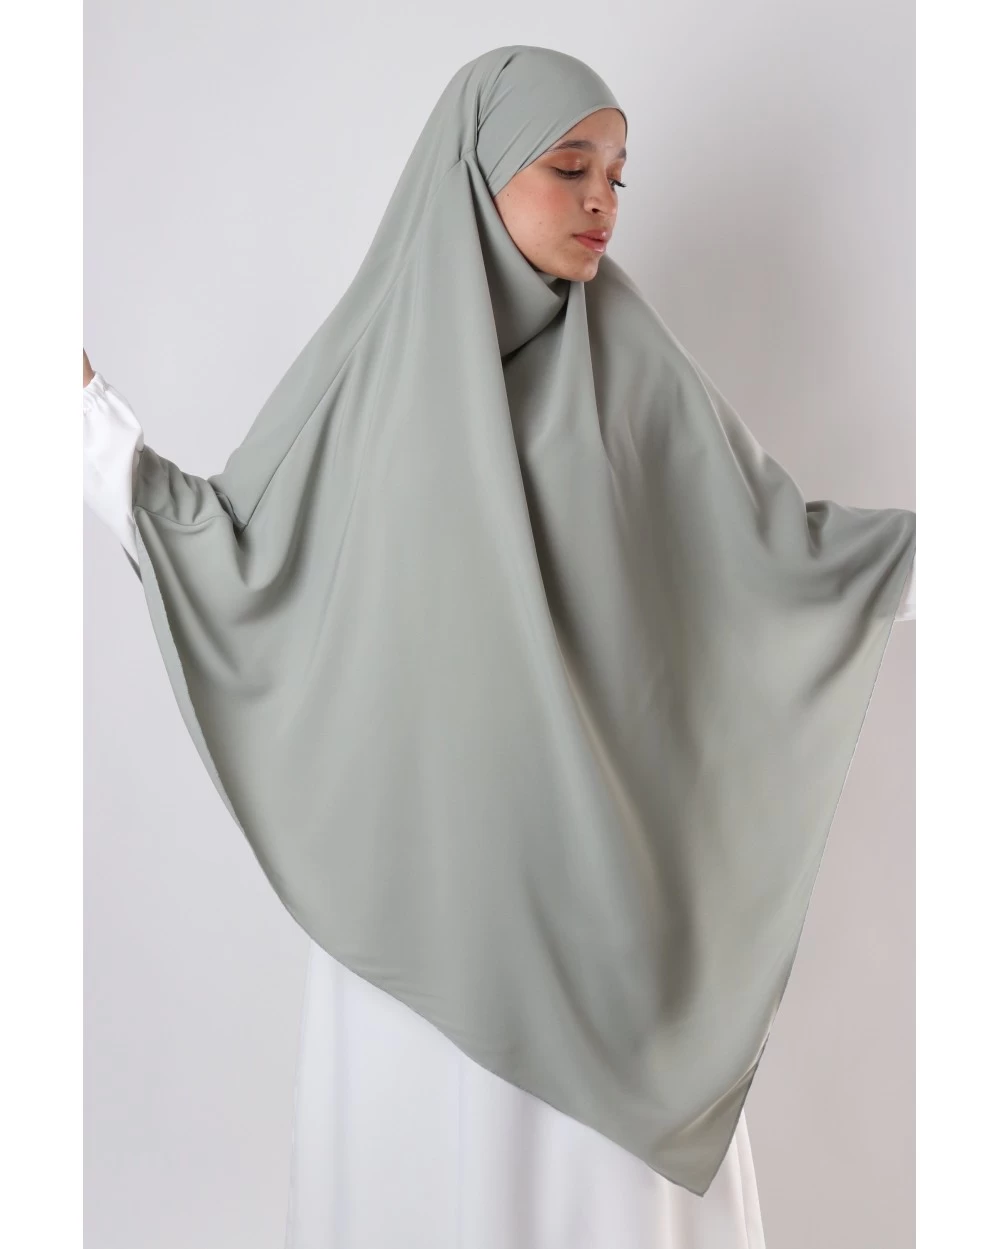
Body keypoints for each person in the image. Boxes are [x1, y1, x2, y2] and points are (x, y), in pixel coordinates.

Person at [83, 45, 915, 1249]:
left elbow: (780, 553)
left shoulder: (635, 371)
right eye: (568, 167)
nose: (601, 200)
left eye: (617, 176)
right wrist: (84, 419)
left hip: (590, 901)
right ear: (475, 171)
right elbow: (238, 554)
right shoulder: (373, 370)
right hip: (413, 897)